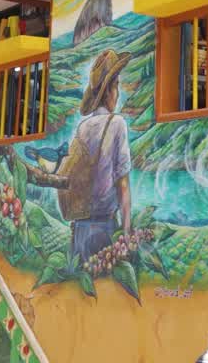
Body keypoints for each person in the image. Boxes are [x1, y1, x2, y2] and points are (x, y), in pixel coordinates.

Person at [62, 49, 134, 263]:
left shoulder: (83, 128)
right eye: (117, 86)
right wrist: (127, 230)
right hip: (104, 229)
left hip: (80, 227)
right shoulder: (117, 124)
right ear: (110, 89)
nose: (118, 93)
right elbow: (122, 185)